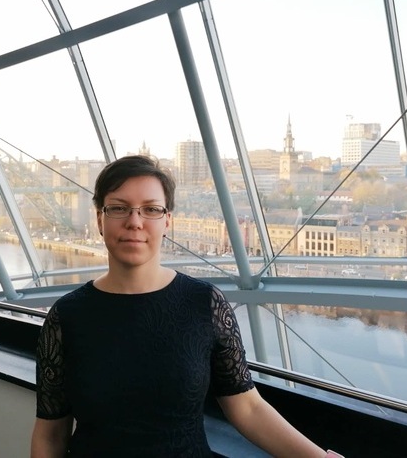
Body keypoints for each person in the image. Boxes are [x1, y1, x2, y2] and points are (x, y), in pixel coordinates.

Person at [30, 155, 343, 457]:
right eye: (118, 208)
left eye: (150, 209)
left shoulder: (205, 304)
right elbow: (51, 434)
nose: (135, 222)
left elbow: (247, 407)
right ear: (100, 219)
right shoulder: (66, 318)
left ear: (167, 221)